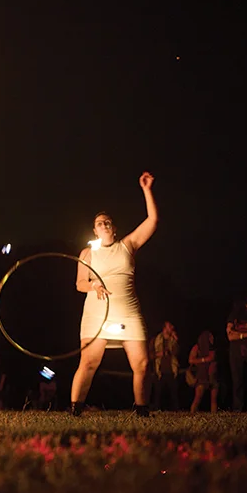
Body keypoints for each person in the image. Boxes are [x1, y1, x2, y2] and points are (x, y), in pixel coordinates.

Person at [70, 172, 158, 417]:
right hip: (97, 314)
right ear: (95, 231)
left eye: (107, 221)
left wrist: (147, 189)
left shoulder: (127, 245)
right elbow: (79, 283)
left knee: (142, 363)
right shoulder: (87, 254)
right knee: (88, 363)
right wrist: (94, 286)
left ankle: (141, 410)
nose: (104, 224)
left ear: (115, 228)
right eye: (99, 223)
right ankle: (76, 409)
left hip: (128, 312)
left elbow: (152, 220)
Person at [153, 321, 180, 411]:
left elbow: (177, 352)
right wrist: (159, 354)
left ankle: (176, 412)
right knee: (157, 394)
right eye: (169, 326)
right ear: (164, 328)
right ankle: (156, 410)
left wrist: (175, 339)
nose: (172, 327)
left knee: (174, 394)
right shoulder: (157, 339)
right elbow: (150, 354)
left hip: (172, 370)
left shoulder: (173, 339)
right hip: (159, 370)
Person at [189, 331, 218, 413]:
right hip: (202, 375)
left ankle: (214, 418)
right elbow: (191, 360)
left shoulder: (212, 348)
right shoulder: (197, 347)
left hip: (212, 374)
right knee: (198, 398)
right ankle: (192, 416)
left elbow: (212, 358)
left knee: (214, 399)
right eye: (210, 337)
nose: (212, 339)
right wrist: (204, 360)